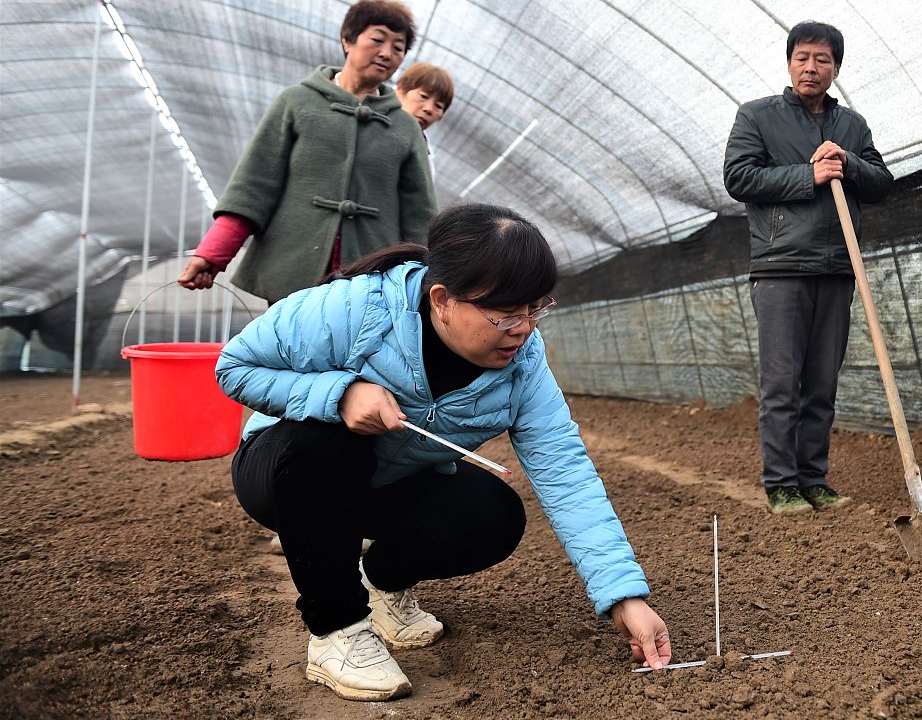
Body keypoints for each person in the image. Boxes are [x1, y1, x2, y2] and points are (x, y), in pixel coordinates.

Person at [215, 203, 672, 701]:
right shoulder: (352, 309)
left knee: (493, 515)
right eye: (505, 314)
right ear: (443, 300)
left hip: (389, 484)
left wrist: (623, 596)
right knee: (323, 443)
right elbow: (234, 367)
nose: (523, 328)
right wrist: (339, 394)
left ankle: (381, 583)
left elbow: (565, 473)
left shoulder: (523, 365)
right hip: (288, 473)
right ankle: (337, 630)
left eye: (536, 308)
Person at [723, 21, 893, 516]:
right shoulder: (756, 116)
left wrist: (846, 162)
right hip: (780, 267)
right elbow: (739, 177)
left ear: (836, 68)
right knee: (783, 383)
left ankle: (814, 479)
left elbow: (881, 183)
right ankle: (780, 484)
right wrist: (809, 175)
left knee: (822, 381)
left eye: (822, 59)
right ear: (789, 62)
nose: (811, 67)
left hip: (839, 268)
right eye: (802, 58)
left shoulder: (852, 127)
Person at [177, 0, 436, 304]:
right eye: (378, 40)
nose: (387, 53)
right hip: (292, 267)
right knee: (287, 347)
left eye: (398, 47)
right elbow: (254, 186)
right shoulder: (297, 102)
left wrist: (425, 282)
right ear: (347, 40)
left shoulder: (404, 126)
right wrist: (213, 254)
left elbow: (419, 215)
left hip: (370, 277)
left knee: (355, 349)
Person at [396, 61, 455, 179]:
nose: (429, 109)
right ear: (401, 91)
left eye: (438, 106)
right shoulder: (370, 120)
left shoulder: (426, 163)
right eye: (423, 96)